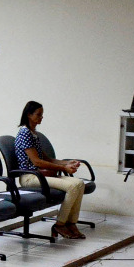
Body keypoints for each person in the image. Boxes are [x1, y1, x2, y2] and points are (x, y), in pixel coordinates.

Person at [14, 100, 87, 241]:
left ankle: (71, 224)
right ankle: (60, 224)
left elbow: (47, 158)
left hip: (40, 174)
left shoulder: (33, 133)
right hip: (30, 177)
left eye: (42, 115)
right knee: (72, 186)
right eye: (38, 114)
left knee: (80, 184)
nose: (41, 117)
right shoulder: (24, 134)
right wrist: (63, 168)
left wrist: (66, 162)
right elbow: (37, 162)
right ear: (29, 115)